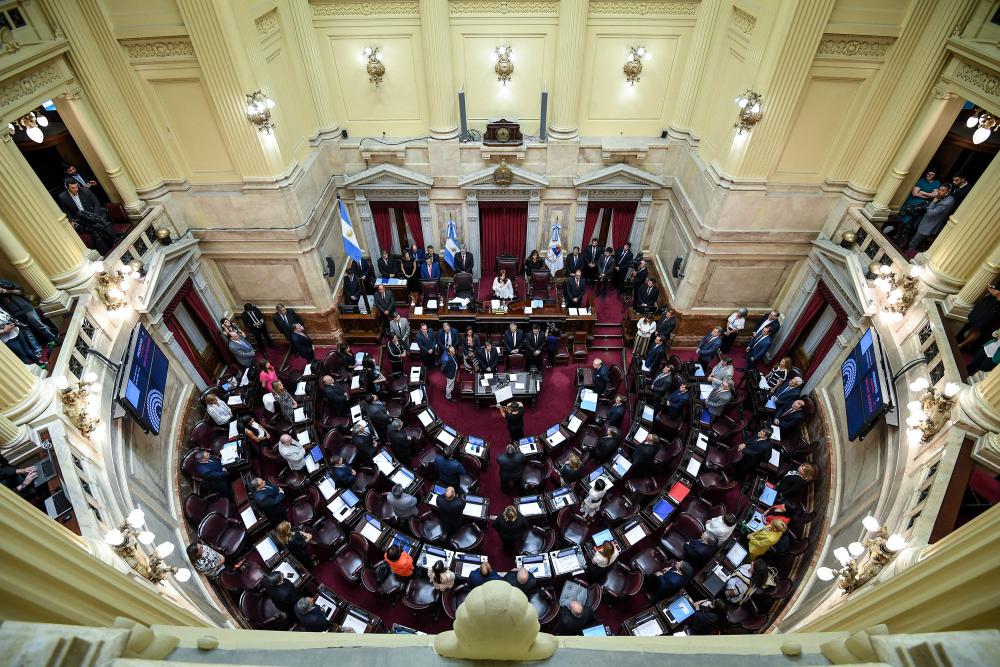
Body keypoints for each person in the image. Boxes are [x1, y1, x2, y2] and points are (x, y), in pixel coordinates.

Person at [57, 180, 114, 254]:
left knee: (102, 227)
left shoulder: (85, 191)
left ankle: (112, 245)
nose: (76, 189)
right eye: (73, 188)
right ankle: (105, 252)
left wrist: (95, 216)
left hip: (93, 214)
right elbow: (66, 210)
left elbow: (96, 203)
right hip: (81, 219)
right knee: (95, 232)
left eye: (76, 187)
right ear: (67, 188)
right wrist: (71, 221)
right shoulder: (63, 197)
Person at [0, 281, 56, 349]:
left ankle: (54, 339)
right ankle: (38, 350)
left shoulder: (5, 283)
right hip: (15, 314)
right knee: (28, 333)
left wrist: (7, 291)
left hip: (26, 308)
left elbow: (21, 291)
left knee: (40, 326)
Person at [958, 284, 1000, 352]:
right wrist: (992, 288)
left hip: (996, 308)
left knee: (980, 327)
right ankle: (968, 343)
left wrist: (998, 296)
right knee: (974, 321)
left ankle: (961, 345)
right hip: (988, 302)